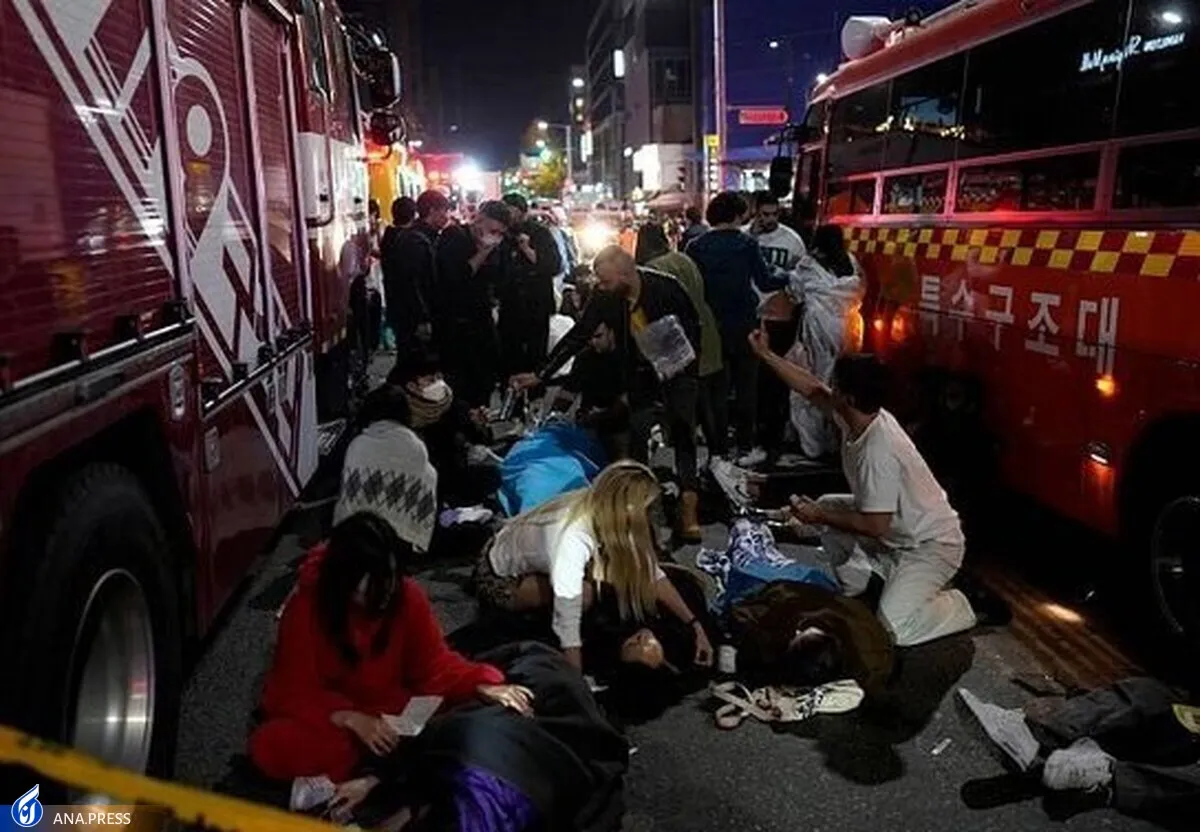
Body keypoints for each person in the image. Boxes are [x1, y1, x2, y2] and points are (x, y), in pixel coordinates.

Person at [248, 511, 534, 785]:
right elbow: (293, 690)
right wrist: (348, 717)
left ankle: (378, 772)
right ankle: (385, 769)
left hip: (393, 711)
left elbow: (433, 665)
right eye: (371, 590)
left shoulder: (406, 595)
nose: (385, 594)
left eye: (390, 581)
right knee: (273, 743)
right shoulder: (305, 608)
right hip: (333, 719)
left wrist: (479, 684)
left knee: (472, 717)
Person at [748, 340, 978, 647]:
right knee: (830, 506)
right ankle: (861, 590)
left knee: (895, 628)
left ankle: (962, 605)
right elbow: (812, 389)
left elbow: (876, 525)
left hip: (930, 546)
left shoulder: (877, 450)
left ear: (850, 397)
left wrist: (818, 516)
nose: (829, 387)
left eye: (835, 385)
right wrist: (766, 354)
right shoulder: (857, 416)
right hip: (898, 531)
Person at [512, 246, 705, 540]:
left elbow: (693, 326)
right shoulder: (605, 297)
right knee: (637, 434)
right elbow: (579, 334)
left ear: (625, 274)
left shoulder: (666, 287)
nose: (600, 287)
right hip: (639, 374)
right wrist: (542, 374)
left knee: (683, 432)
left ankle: (689, 504)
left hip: (678, 369)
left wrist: (687, 369)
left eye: (605, 281)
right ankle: (641, 508)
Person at [473, 460, 714, 670]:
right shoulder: (569, 538)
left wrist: (695, 626)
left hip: (522, 552)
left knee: (615, 577)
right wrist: (575, 680)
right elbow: (567, 617)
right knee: (586, 594)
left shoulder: (607, 510)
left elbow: (650, 573)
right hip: (499, 577)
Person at [686, 192, 789, 467]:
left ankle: (718, 449)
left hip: (711, 326)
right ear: (736, 215)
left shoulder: (695, 246)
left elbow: (691, 287)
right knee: (747, 388)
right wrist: (788, 275)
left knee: (717, 391)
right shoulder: (746, 244)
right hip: (744, 324)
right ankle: (745, 447)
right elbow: (766, 281)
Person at [634, 222, 727, 460]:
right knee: (710, 399)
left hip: (679, 340)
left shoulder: (652, 270)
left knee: (684, 406)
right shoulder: (683, 259)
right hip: (706, 328)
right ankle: (719, 453)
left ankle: (688, 463)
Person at [388, 350, 493, 509]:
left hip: (451, 482)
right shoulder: (397, 412)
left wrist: (479, 425)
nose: (439, 384)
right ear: (412, 386)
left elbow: (481, 439)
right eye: (431, 380)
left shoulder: (453, 406)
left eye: (439, 377)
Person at [749, 191, 809, 461]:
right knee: (754, 379)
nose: (770, 219)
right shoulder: (746, 238)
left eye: (774, 214)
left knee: (776, 377)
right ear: (756, 212)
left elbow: (801, 276)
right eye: (765, 214)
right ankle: (757, 429)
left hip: (781, 317)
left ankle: (774, 430)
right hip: (752, 315)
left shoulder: (792, 241)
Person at [434, 200, 510, 408]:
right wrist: (483, 252)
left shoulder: (497, 247)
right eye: (492, 230)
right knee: (459, 385)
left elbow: (500, 279)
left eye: (499, 233)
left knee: (484, 380)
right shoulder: (454, 237)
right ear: (479, 219)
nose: (494, 236)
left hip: (482, 320)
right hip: (455, 323)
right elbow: (456, 277)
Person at [496, 193, 563, 377]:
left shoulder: (540, 233)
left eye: (510, 211)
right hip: (510, 306)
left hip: (536, 305)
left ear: (522, 212)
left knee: (535, 355)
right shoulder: (502, 236)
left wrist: (527, 250)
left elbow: (554, 266)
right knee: (509, 356)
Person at [381, 192, 449, 352]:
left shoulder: (421, 237)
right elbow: (412, 283)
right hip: (413, 319)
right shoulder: (416, 241)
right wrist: (422, 318)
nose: (446, 217)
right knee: (416, 360)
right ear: (432, 211)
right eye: (444, 211)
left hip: (413, 316)